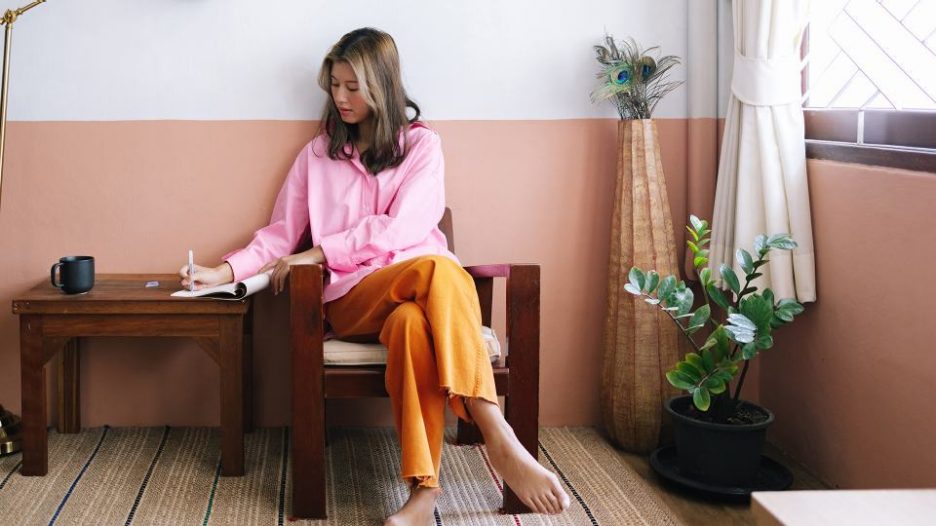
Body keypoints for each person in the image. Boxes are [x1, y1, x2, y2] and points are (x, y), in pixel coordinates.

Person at [179, 27, 570, 525]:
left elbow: (405, 227)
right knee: (438, 267)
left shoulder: (423, 148)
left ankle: (423, 495)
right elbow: (281, 233)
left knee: (413, 322)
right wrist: (224, 269)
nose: (340, 98)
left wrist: (322, 250)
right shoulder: (317, 155)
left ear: (382, 85)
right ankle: (495, 427)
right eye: (335, 86)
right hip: (351, 300)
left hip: (419, 294)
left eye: (353, 87)